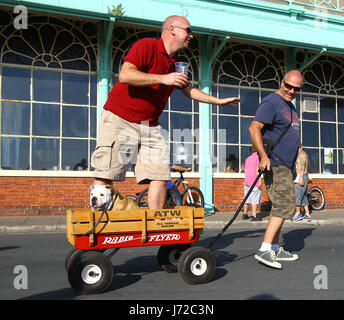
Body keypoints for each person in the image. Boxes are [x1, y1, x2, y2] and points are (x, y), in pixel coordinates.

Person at [90, 15, 240, 209]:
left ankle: (155, 227)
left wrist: (218, 101)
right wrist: (163, 79)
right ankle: (96, 229)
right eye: (188, 30)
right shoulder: (147, 46)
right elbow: (125, 75)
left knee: (160, 174)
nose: (191, 36)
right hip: (120, 118)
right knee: (106, 173)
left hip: (149, 125)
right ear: (172, 29)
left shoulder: (175, 63)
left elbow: (189, 90)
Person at [249, 70, 302, 270]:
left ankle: (275, 247)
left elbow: (291, 137)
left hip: (286, 166)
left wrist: (294, 165)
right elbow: (254, 128)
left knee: (283, 205)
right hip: (275, 163)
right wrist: (263, 156)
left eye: (296, 88)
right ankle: (264, 249)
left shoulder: (290, 107)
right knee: (283, 205)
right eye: (288, 86)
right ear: (282, 82)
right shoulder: (272, 102)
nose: (291, 90)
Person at [242, 145, 262, 221]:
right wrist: (259, 181)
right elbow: (258, 170)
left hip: (247, 181)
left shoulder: (248, 159)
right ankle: (254, 216)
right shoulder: (258, 158)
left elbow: (245, 170)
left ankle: (245, 214)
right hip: (255, 182)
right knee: (255, 199)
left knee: (246, 197)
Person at [292, 144, 311, 222]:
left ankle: (298, 213)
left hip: (301, 176)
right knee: (303, 196)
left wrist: (300, 178)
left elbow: (302, 166)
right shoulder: (302, 153)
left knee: (298, 195)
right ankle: (307, 214)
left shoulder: (301, 154)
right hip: (302, 176)